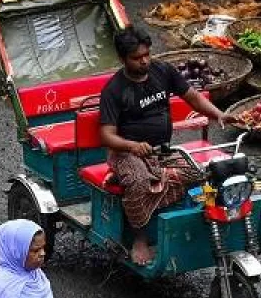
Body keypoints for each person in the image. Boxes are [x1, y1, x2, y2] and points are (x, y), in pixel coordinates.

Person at [100, 26, 233, 265]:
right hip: (125, 154)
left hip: (161, 150)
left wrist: (219, 115)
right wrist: (132, 146)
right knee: (140, 181)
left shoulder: (162, 70)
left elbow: (192, 96)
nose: (144, 61)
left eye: (147, 54)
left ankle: (178, 224)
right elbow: (107, 136)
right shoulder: (114, 90)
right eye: (137, 58)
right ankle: (140, 238)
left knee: (199, 174)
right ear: (122, 59)